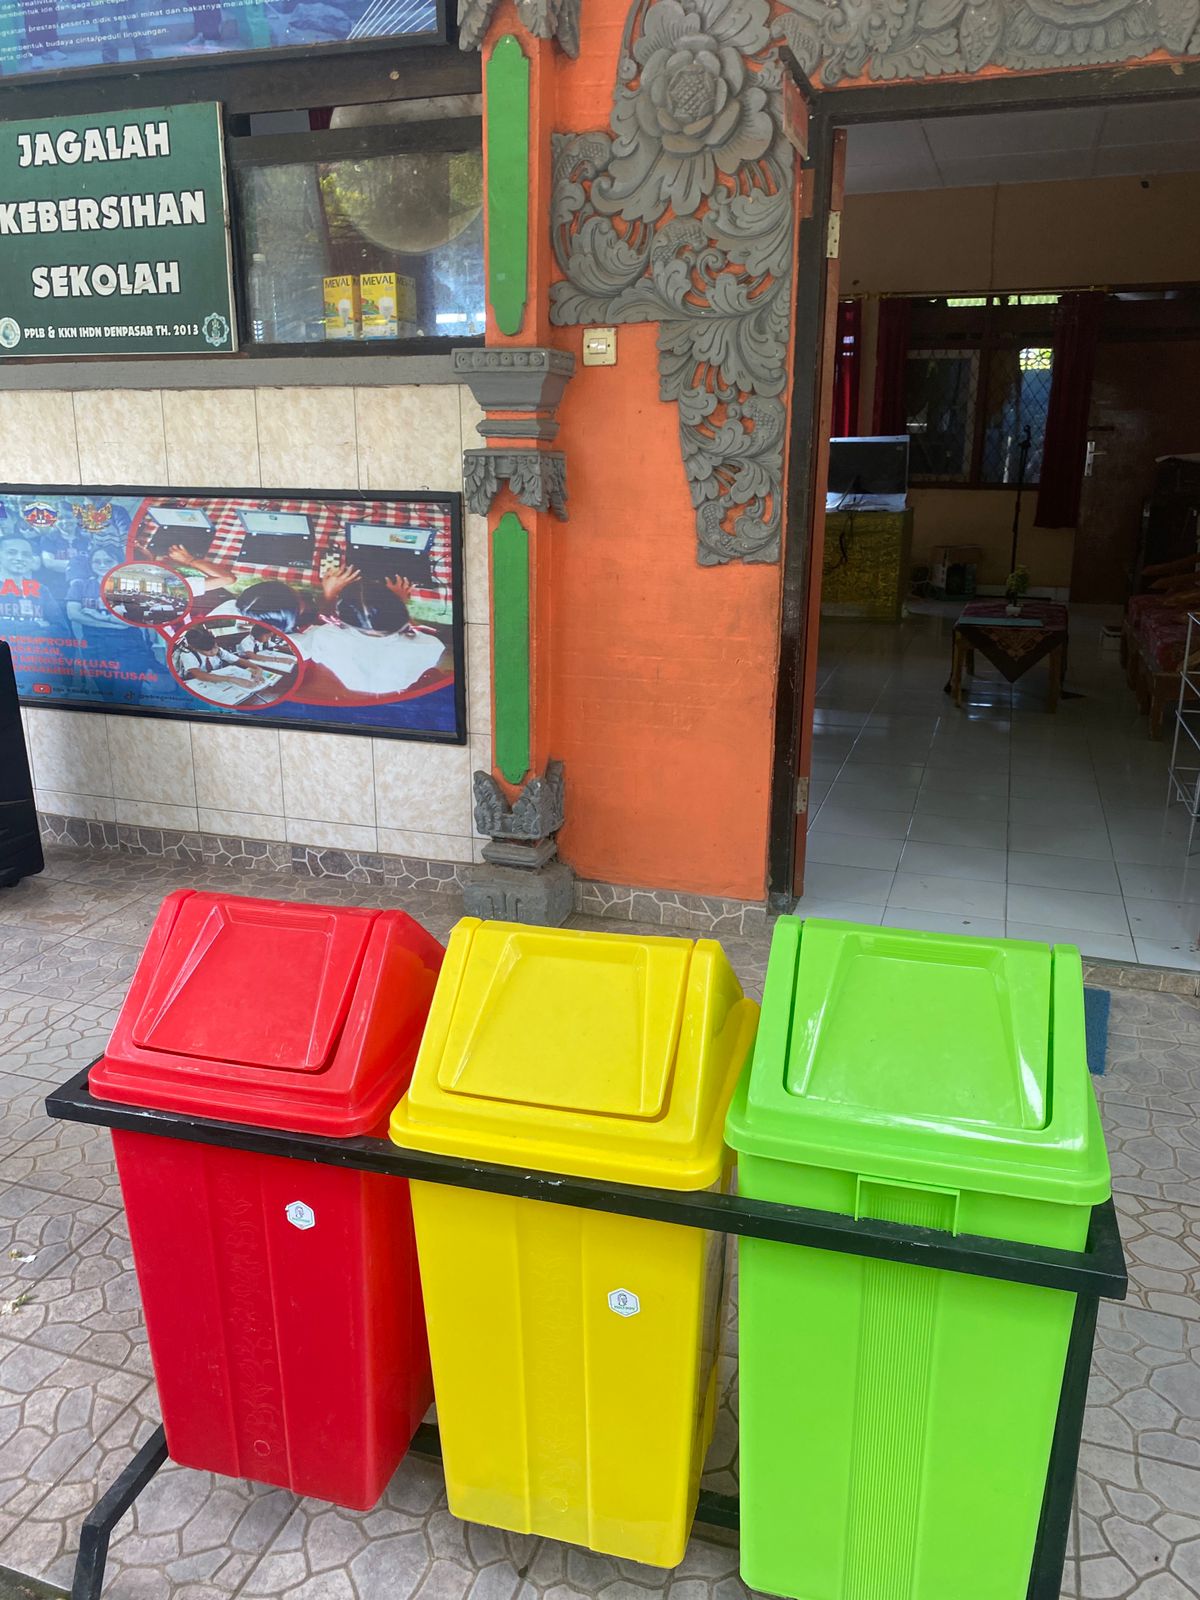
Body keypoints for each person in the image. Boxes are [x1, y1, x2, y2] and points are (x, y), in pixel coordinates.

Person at [293, 568, 447, 695]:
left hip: (350, 688)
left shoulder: (324, 636)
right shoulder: (429, 646)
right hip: (392, 690)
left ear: (339, 616)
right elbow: (411, 629)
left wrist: (330, 595)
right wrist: (398, 601)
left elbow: (323, 621)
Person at [175, 626, 265, 687]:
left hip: (217, 679)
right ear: (194, 648)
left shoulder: (218, 650)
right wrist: (231, 679)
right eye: (208, 651)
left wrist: (257, 668)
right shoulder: (187, 654)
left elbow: (238, 660)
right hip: (196, 682)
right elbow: (199, 675)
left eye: (215, 647)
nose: (213, 652)